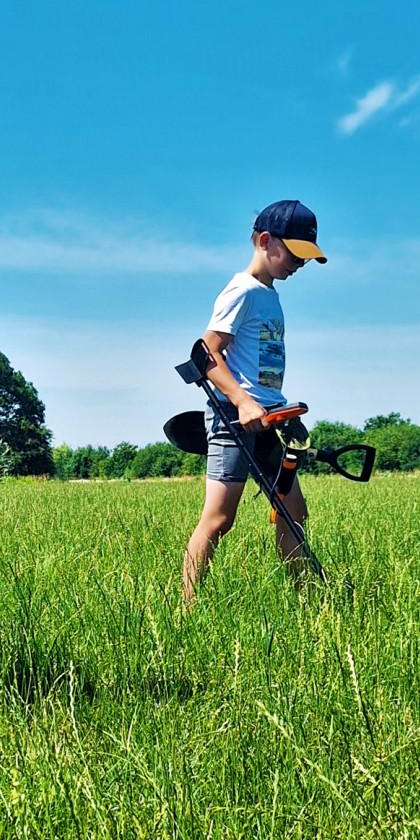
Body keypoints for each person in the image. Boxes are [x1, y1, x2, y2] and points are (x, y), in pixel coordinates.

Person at [182, 200, 327, 599]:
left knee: (292, 511)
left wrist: (271, 405)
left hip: (271, 417)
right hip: (235, 416)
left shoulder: (270, 295)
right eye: (295, 253)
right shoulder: (241, 290)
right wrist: (243, 402)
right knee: (219, 518)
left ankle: (307, 599)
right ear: (266, 241)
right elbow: (206, 353)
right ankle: (186, 609)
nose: (299, 264)